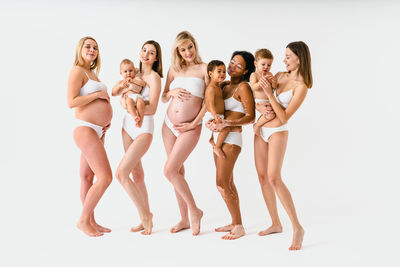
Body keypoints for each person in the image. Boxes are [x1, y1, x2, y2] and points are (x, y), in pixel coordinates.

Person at [254, 41, 313, 250]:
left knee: (274, 178)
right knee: (262, 178)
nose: (284, 60)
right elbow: (262, 102)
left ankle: (297, 228)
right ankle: (275, 223)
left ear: (300, 58)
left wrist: (270, 95)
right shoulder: (278, 75)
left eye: (288, 56)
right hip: (260, 129)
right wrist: (261, 111)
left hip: (278, 132)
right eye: (285, 56)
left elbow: (284, 116)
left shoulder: (301, 87)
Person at [114, 40, 163, 235]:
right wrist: (124, 102)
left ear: (156, 58)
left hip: (143, 127)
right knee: (137, 174)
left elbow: (154, 108)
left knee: (121, 173)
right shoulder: (132, 73)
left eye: (151, 52)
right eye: (144, 50)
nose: (146, 54)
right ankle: (144, 217)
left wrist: (136, 111)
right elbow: (120, 96)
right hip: (127, 127)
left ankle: (146, 215)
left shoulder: (154, 77)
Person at [161, 31, 207, 236]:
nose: (187, 52)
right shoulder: (174, 69)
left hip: (191, 126)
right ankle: (184, 219)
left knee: (169, 170)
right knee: (177, 172)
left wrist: (193, 124)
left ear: (195, 46)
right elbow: (162, 97)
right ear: (177, 51)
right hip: (168, 124)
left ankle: (195, 211)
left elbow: (209, 102)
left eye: (190, 47)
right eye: (183, 49)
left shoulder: (205, 68)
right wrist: (171, 92)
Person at [206, 51, 255, 240]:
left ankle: (239, 226)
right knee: (228, 183)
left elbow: (250, 117)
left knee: (222, 182)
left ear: (246, 71)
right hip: (220, 137)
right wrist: (212, 121)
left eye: (239, 65)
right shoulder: (223, 85)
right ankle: (235, 222)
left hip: (232, 139)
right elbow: (217, 110)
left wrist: (227, 124)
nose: (232, 66)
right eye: (232, 62)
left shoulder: (243, 87)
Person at [67, 36, 113, 237]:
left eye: (95, 47)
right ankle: (83, 220)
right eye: (88, 46)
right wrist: (98, 96)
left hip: (98, 130)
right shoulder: (77, 70)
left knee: (87, 177)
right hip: (85, 129)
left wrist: (105, 121)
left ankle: (91, 220)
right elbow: (72, 101)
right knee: (105, 177)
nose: (92, 50)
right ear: (80, 49)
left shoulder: (92, 73)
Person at [205, 60, 230, 159]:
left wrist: (225, 83)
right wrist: (215, 116)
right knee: (226, 129)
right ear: (211, 74)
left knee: (221, 129)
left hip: (218, 115)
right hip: (213, 115)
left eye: (224, 72)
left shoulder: (218, 86)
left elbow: (220, 87)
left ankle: (212, 139)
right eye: (219, 71)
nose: (222, 74)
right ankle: (217, 147)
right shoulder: (211, 88)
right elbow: (210, 104)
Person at [112, 59, 146, 127]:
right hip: (129, 97)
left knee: (141, 103)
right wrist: (120, 86)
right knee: (129, 102)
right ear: (121, 73)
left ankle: (141, 120)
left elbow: (143, 84)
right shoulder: (121, 82)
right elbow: (113, 92)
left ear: (134, 70)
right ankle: (135, 116)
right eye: (125, 71)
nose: (128, 73)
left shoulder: (136, 79)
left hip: (137, 96)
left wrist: (133, 81)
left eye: (131, 70)